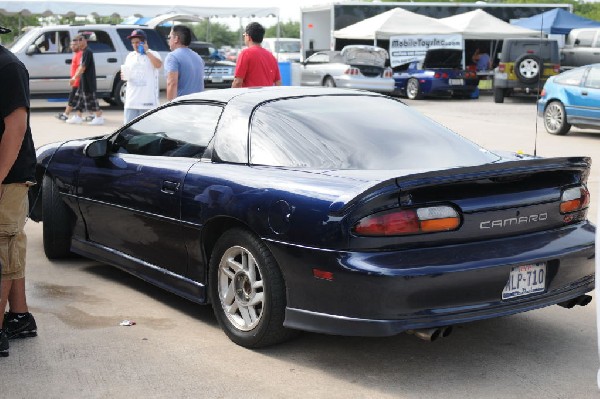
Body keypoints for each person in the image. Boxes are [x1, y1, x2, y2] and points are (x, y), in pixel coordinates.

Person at [0, 23, 38, 358]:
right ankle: (20, 316)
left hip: (8, 176)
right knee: (11, 247)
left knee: (2, 249)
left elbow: (16, 126)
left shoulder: (8, 66)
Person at [121, 29, 163, 124]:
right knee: (128, 132)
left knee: (147, 132)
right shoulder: (130, 56)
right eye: (133, 43)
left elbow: (158, 65)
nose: (135, 45)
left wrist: (147, 51)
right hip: (131, 102)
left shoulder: (153, 54)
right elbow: (127, 73)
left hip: (148, 103)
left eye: (137, 42)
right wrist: (123, 75)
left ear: (144, 42)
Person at [66, 34, 104, 125]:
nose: (78, 41)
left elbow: (82, 67)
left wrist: (74, 78)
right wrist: (76, 78)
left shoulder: (87, 52)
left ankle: (99, 117)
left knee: (92, 100)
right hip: (83, 81)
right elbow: (80, 67)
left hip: (88, 81)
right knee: (80, 100)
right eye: (77, 40)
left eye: (80, 39)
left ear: (85, 41)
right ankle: (78, 117)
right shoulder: (83, 52)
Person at [232, 22, 282, 88]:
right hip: (268, 96)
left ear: (248, 37)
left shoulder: (245, 54)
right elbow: (278, 82)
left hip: (250, 97)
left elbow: (237, 82)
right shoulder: (271, 56)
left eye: (244, 35)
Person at [164, 25, 204, 101]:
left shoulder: (172, 57)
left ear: (176, 39)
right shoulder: (198, 57)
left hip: (182, 106)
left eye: (170, 37)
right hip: (198, 104)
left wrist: (169, 106)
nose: (169, 40)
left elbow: (172, 83)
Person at [56, 39, 83, 121]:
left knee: (73, 98)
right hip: (76, 81)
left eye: (75, 45)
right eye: (72, 45)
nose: (72, 46)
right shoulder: (76, 54)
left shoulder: (80, 54)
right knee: (79, 99)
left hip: (78, 81)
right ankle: (93, 114)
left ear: (79, 45)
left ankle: (66, 115)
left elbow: (80, 68)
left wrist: (74, 78)